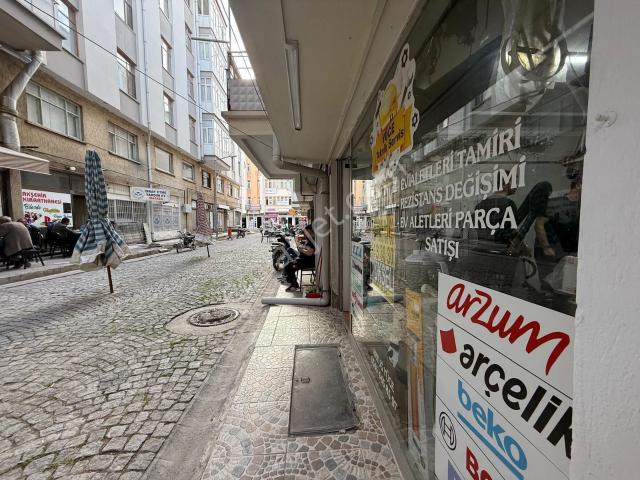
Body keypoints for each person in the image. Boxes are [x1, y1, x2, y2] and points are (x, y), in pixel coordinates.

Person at [284, 225, 316, 291]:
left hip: (308, 262)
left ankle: (293, 284)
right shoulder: (309, 240)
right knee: (289, 261)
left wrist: (301, 250)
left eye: (308, 232)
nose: (306, 234)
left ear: (312, 232)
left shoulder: (312, 241)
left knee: (289, 265)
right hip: (304, 260)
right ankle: (292, 281)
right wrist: (301, 247)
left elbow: (310, 253)